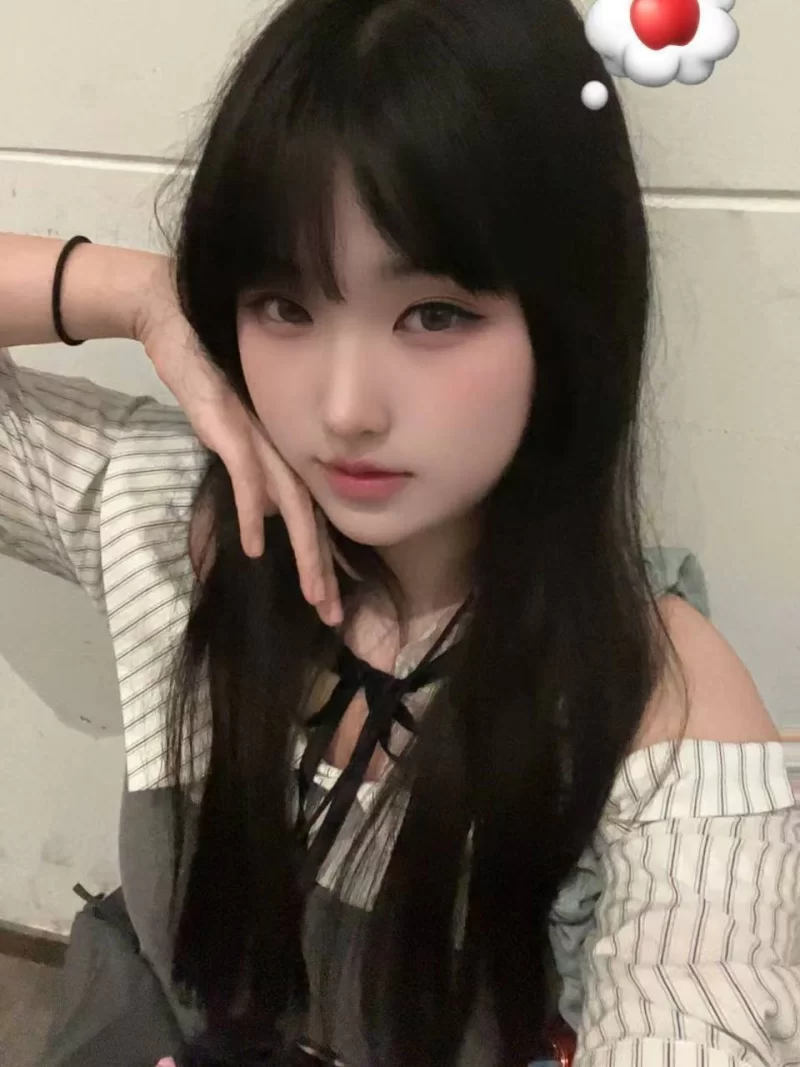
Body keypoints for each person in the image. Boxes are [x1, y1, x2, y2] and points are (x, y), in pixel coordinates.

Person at [1, 0, 798, 1065]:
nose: (344, 410)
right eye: (285, 303)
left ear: (567, 318)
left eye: (433, 314)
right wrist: (137, 292)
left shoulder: (659, 711)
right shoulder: (170, 512)